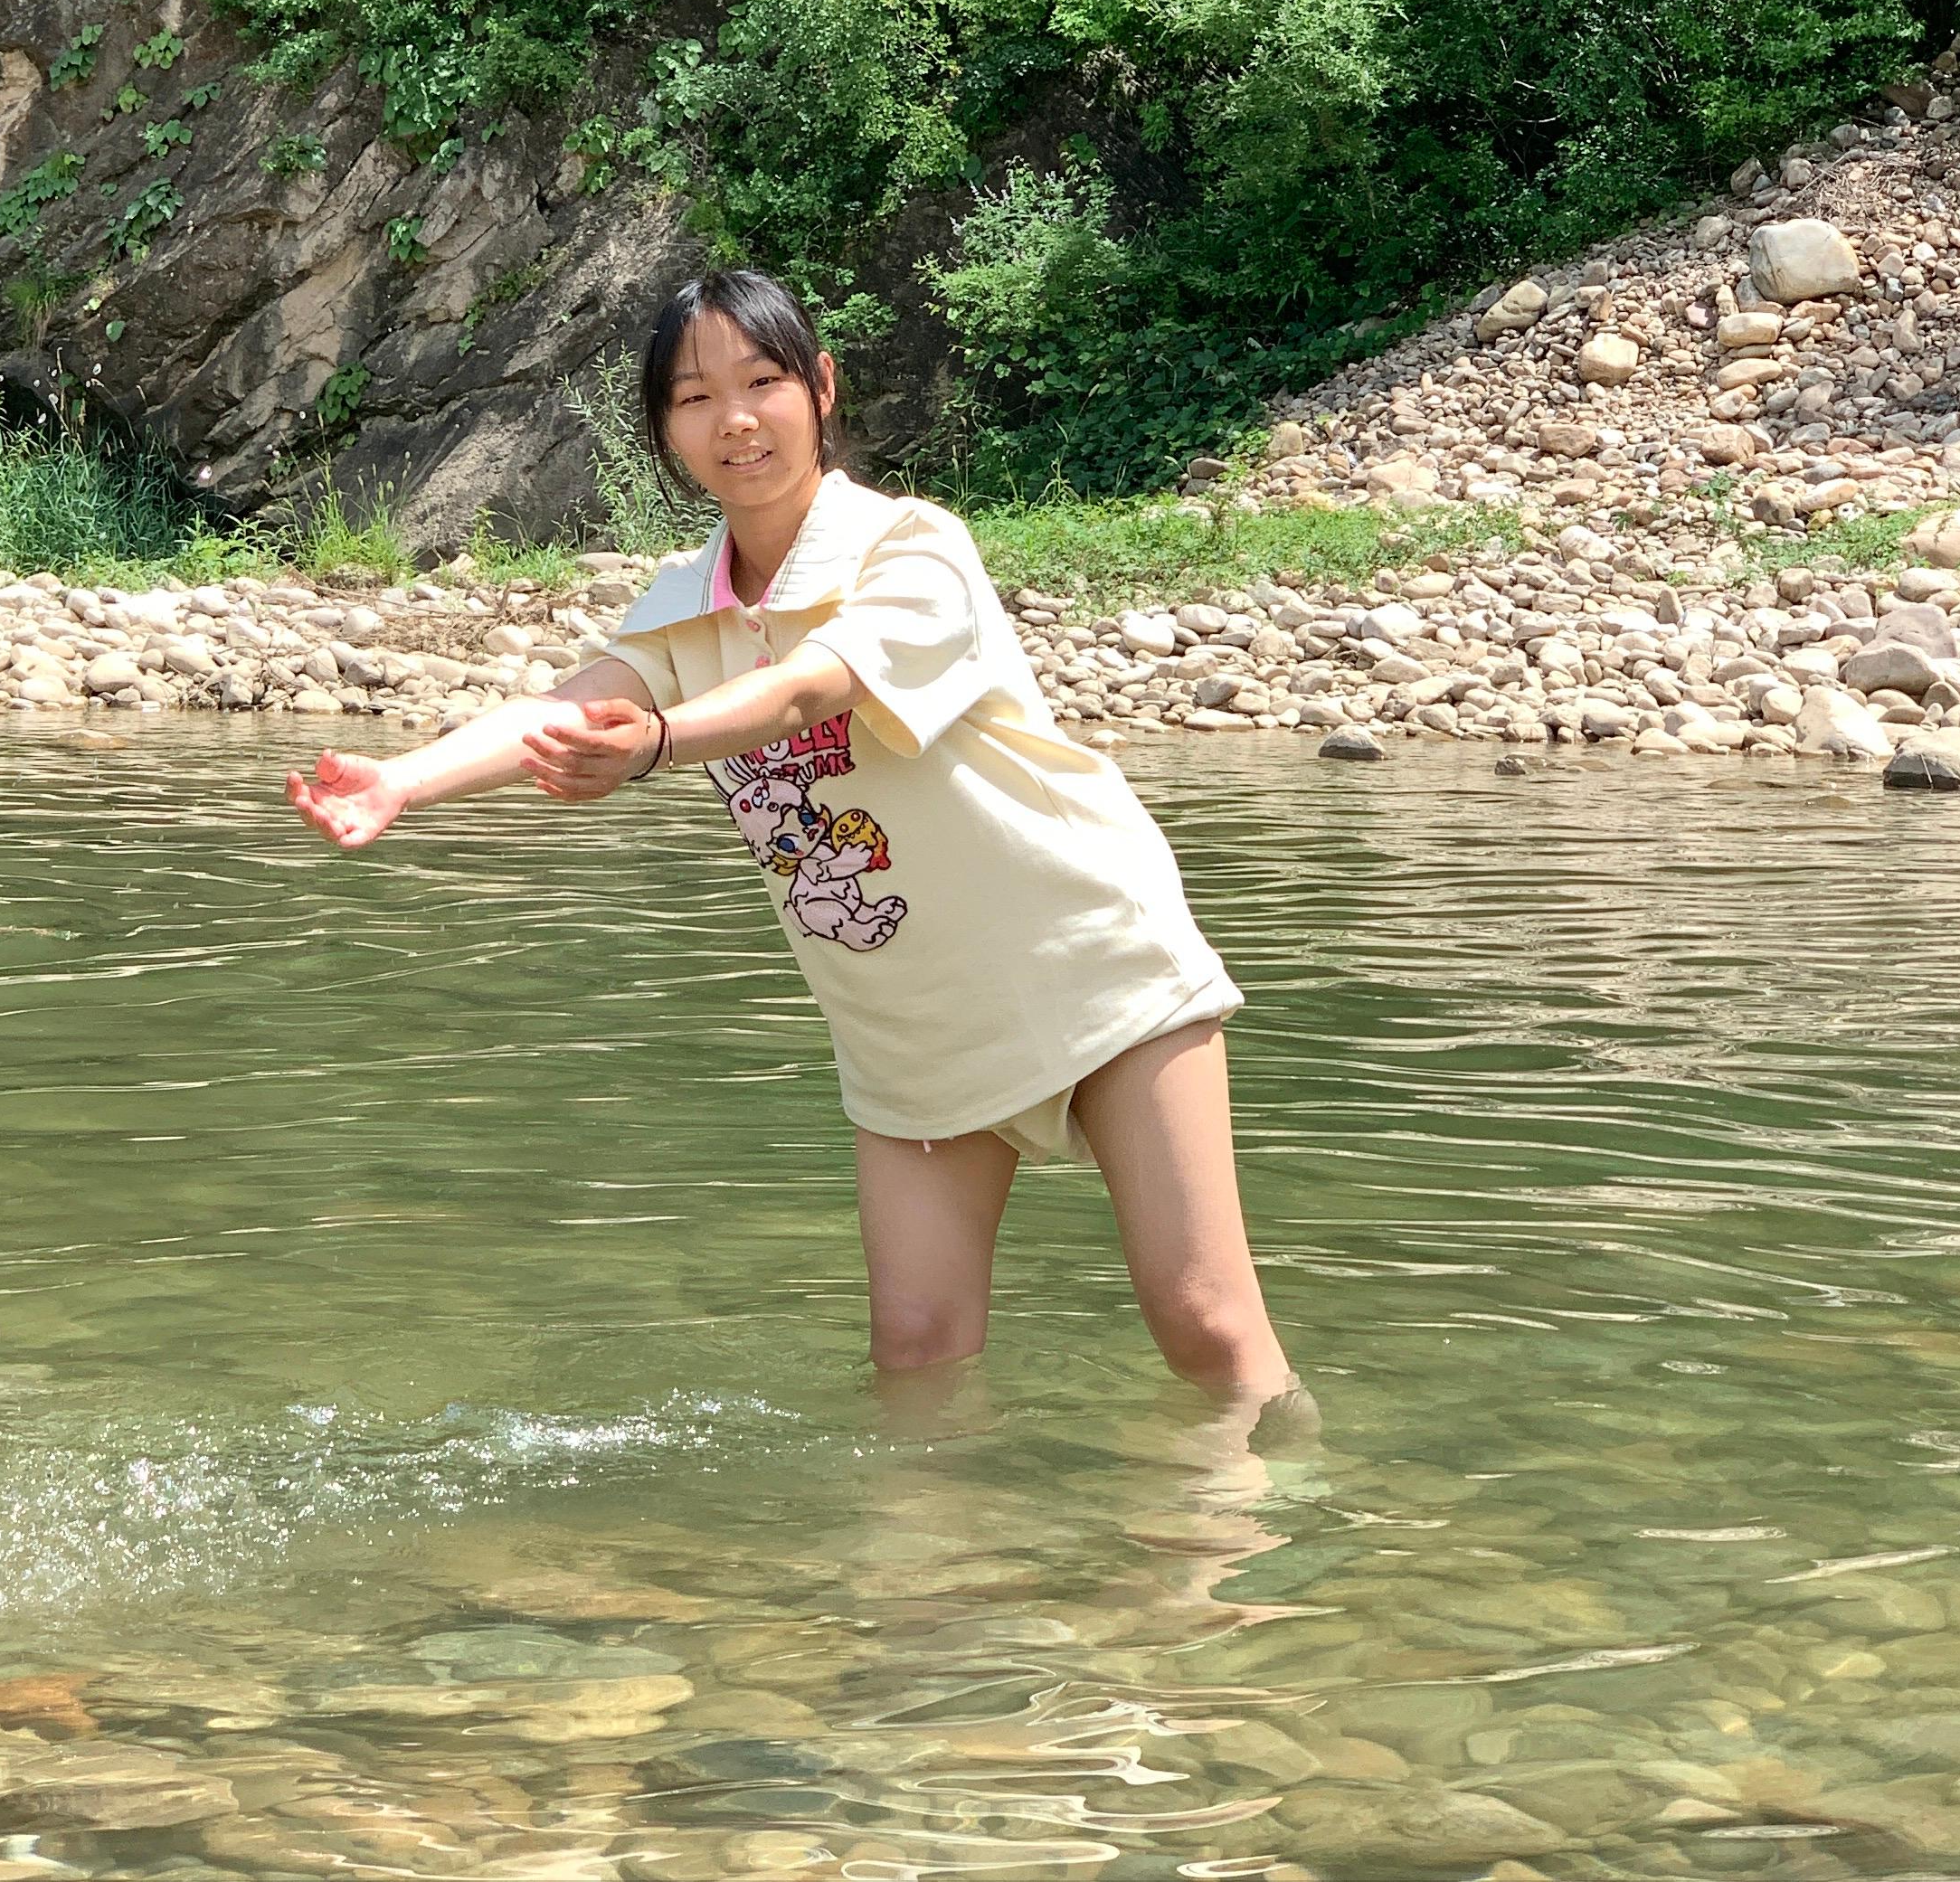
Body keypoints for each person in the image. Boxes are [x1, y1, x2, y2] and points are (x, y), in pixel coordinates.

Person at [288, 270, 1294, 1398]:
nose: (734, 419)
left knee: (1204, 1324)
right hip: (908, 1027)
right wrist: (401, 783)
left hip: (1088, 963)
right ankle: (932, 1527)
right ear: (664, 431)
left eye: (761, 381)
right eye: (693, 397)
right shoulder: (685, 607)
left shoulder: (909, 546)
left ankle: (1276, 1510)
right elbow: (563, 708)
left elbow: (809, 688)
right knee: (915, 1353)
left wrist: (658, 742)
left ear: (819, 387)